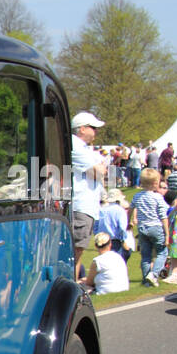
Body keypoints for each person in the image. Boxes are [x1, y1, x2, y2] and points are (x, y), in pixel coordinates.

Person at [70, 111, 108, 282]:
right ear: (82, 129)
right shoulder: (75, 145)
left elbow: (102, 169)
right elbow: (99, 171)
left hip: (86, 206)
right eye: (93, 128)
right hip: (80, 205)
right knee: (75, 253)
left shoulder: (85, 148)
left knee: (78, 252)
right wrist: (99, 168)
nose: (96, 132)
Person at [131, 168, 169, 286]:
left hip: (142, 228)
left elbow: (131, 209)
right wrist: (167, 234)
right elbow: (163, 216)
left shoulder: (137, 196)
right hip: (156, 227)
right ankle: (154, 274)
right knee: (162, 252)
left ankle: (146, 280)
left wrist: (129, 221)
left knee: (145, 255)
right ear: (155, 183)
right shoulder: (157, 197)